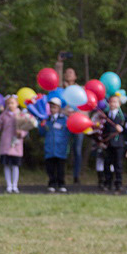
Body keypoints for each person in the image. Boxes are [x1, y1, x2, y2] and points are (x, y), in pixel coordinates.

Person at [0, 95, 32, 193]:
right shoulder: (3, 115)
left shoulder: (21, 115)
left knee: (15, 165)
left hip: (16, 144)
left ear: (17, 104)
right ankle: (8, 185)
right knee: (6, 165)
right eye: (8, 103)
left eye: (12, 103)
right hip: (6, 143)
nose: (10, 105)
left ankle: (15, 185)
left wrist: (21, 133)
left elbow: (25, 128)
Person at [55, 52, 84, 183]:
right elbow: (56, 77)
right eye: (66, 72)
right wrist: (59, 63)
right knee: (63, 149)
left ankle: (76, 175)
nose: (68, 74)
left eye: (71, 72)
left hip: (78, 124)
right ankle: (61, 175)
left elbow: (86, 106)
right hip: (65, 122)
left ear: (76, 76)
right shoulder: (61, 89)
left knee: (77, 150)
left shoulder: (81, 89)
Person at [39, 97, 70, 192]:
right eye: (51, 107)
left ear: (59, 108)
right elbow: (41, 133)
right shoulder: (47, 120)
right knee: (50, 168)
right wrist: (41, 126)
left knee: (60, 168)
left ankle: (61, 184)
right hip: (49, 148)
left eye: (55, 107)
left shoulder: (64, 119)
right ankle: (52, 183)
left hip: (61, 148)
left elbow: (69, 132)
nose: (53, 109)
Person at [100, 93, 126, 192]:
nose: (112, 104)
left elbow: (126, 130)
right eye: (111, 102)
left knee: (118, 164)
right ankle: (107, 182)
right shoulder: (105, 115)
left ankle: (118, 183)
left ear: (119, 104)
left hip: (118, 144)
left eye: (115, 102)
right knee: (107, 164)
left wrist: (121, 129)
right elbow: (102, 130)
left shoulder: (123, 117)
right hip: (108, 143)